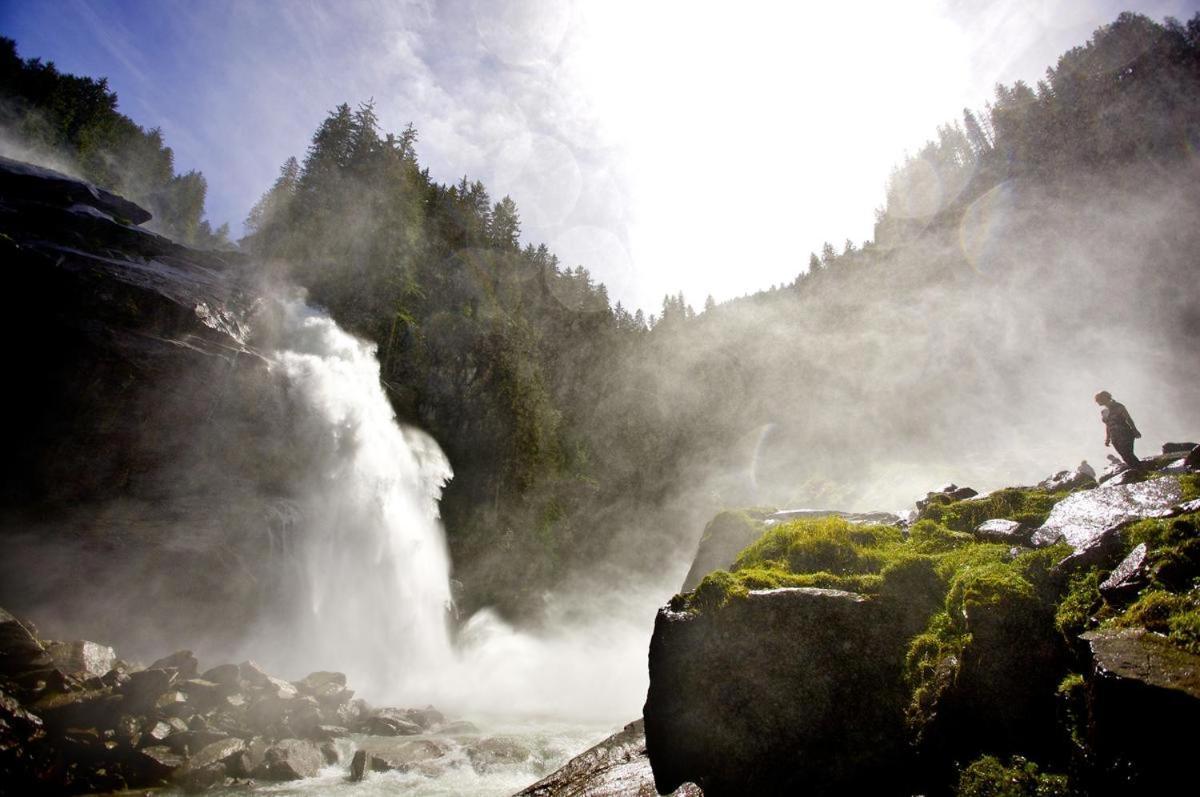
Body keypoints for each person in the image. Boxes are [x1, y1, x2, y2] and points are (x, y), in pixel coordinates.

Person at [1095, 391, 1142, 468]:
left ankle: (1141, 470)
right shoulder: (1103, 412)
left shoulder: (1119, 406)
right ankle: (1138, 470)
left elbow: (1128, 419)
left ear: (1105, 398)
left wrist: (1135, 430)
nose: (1097, 402)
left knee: (1128, 454)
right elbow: (1108, 425)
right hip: (1114, 437)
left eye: (1098, 400)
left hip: (1125, 433)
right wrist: (1107, 439)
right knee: (1124, 456)